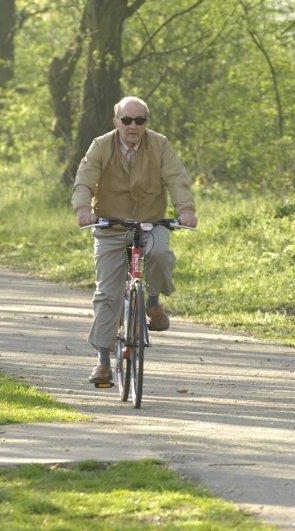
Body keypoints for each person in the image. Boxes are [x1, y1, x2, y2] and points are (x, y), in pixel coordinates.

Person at [72, 96, 198, 384]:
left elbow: (176, 179)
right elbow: (84, 180)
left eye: (139, 120)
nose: (133, 126)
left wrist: (186, 210)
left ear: (146, 123)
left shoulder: (160, 145)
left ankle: (152, 303)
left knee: (161, 254)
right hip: (110, 227)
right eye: (126, 120)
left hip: (151, 224)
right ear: (116, 121)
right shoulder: (101, 145)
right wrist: (82, 210)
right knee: (108, 295)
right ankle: (103, 362)